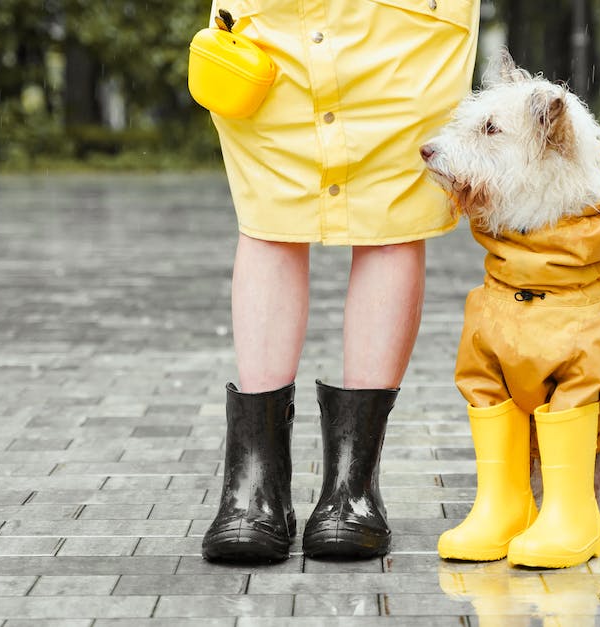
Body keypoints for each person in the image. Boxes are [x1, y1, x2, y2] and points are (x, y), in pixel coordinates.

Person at [200, 0, 481, 562]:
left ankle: (353, 488)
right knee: (270, 212)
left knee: (392, 215)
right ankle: (255, 487)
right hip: (273, 23)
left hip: (405, 22)